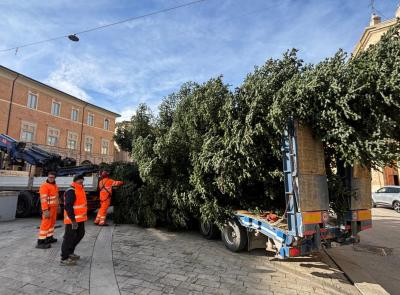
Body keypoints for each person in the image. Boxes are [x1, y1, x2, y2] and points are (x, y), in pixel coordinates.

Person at [60, 174, 87, 266]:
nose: (82, 183)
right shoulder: (71, 191)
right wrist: (73, 220)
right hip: (72, 220)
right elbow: (68, 206)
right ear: (75, 181)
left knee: (80, 234)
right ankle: (64, 258)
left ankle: (70, 252)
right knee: (68, 238)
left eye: (82, 181)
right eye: (80, 181)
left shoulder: (80, 189)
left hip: (80, 219)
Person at [36, 171, 59, 249]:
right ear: (48, 177)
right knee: (45, 224)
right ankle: (40, 242)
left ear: (55, 177)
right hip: (48, 208)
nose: (51, 179)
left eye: (53, 177)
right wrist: (45, 210)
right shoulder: (44, 186)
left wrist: (58, 206)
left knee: (52, 223)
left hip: (54, 208)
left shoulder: (55, 185)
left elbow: (56, 197)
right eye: (50, 177)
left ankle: (49, 238)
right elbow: (43, 199)